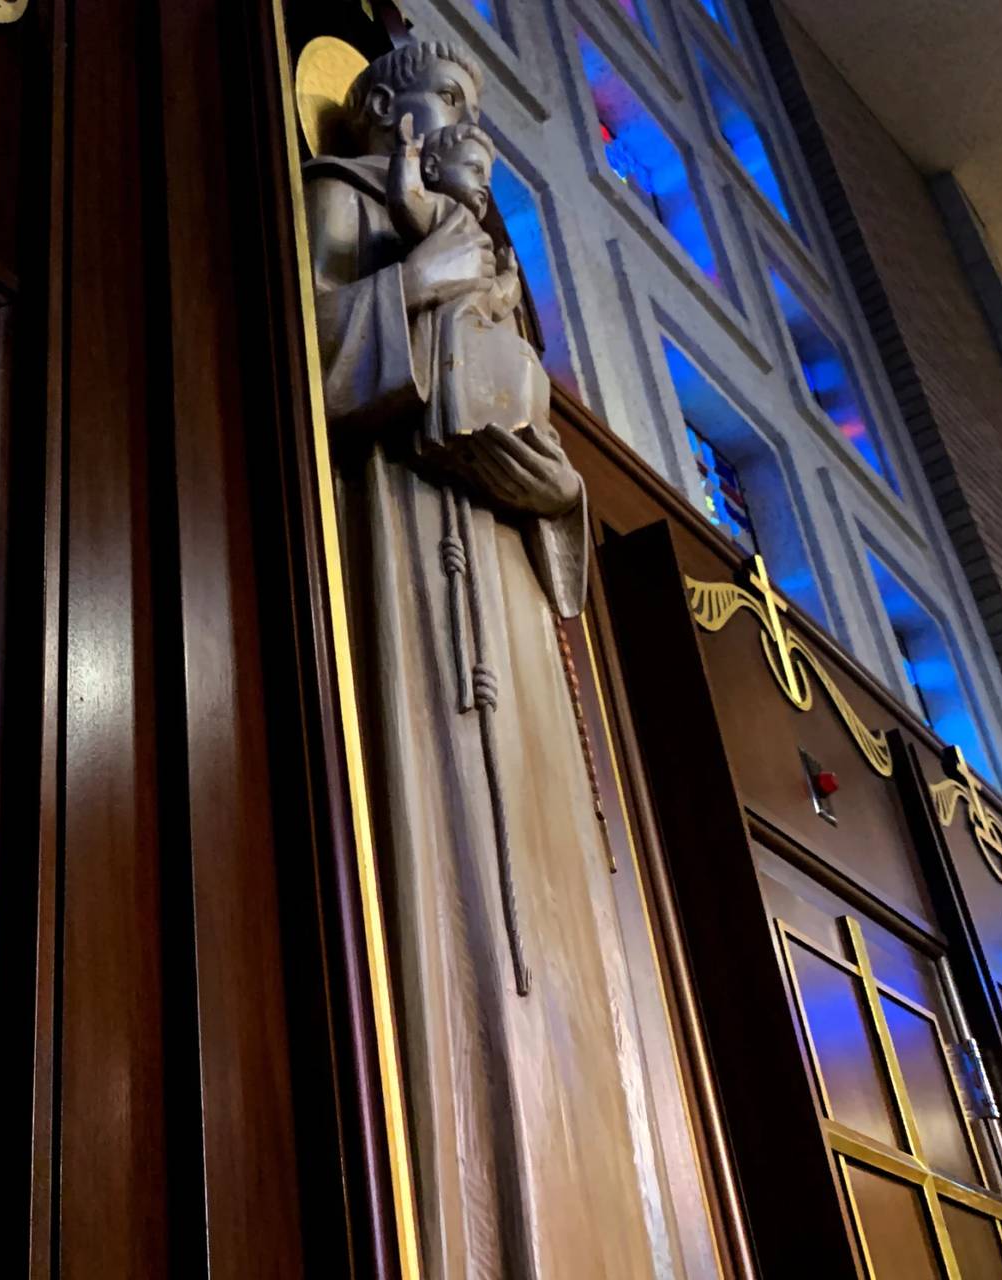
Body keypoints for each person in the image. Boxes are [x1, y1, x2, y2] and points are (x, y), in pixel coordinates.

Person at [304, 40, 670, 1278]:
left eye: (469, 113)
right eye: (440, 108)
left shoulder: (495, 259)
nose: (462, 132)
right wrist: (420, 282)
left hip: (509, 565)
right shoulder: (348, 195)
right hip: (416, 544)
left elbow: (549, 448)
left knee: (548, 896)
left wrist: (475, 302)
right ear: (392, 114)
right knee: (458, 846)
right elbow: (304, 343)